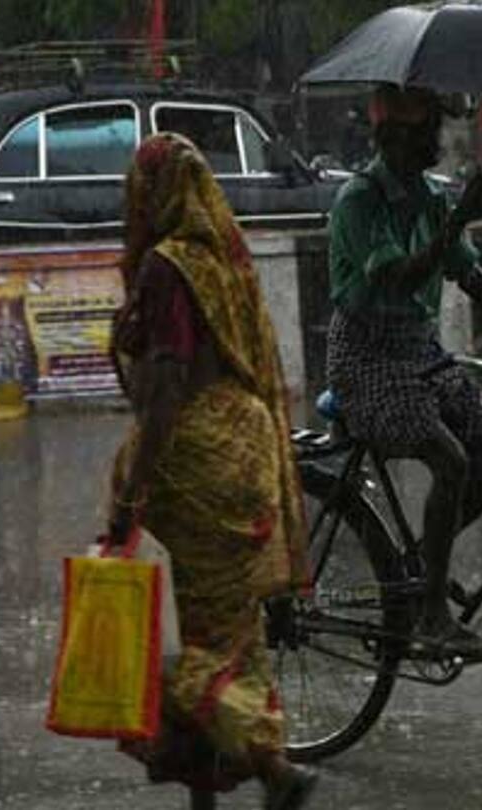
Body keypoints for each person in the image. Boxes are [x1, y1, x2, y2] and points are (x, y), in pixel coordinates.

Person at [107, 132, 316, 809]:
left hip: (201, 463)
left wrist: (134, 491)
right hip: (246, 450)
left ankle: (275, 768)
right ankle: (207, 791)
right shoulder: (223, 261)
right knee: (237, 634)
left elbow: (166, 384)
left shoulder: (168, 268)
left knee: (198, 650)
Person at [325, 85, 482, 658]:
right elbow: (399, 278)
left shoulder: (431, 197)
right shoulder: (360, 201)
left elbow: (469, 274)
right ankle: (431, 615)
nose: (438, 140)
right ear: (395, 137)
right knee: (450, 460)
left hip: (419, 350)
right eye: (428, 129)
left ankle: (420, 570)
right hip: (366, 358)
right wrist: (458, 216)